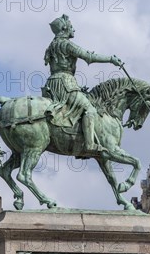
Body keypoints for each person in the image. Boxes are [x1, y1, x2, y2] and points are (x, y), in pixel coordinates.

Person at [43, 14, 123, 154]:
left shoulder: (51, 46)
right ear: (64, 28)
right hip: (66, 84)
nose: (74, 30)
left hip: (52, 84)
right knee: (90, 110)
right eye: (71, 27)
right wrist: (110, 59)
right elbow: (89, 57)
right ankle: (90, 144)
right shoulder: (66, 44)